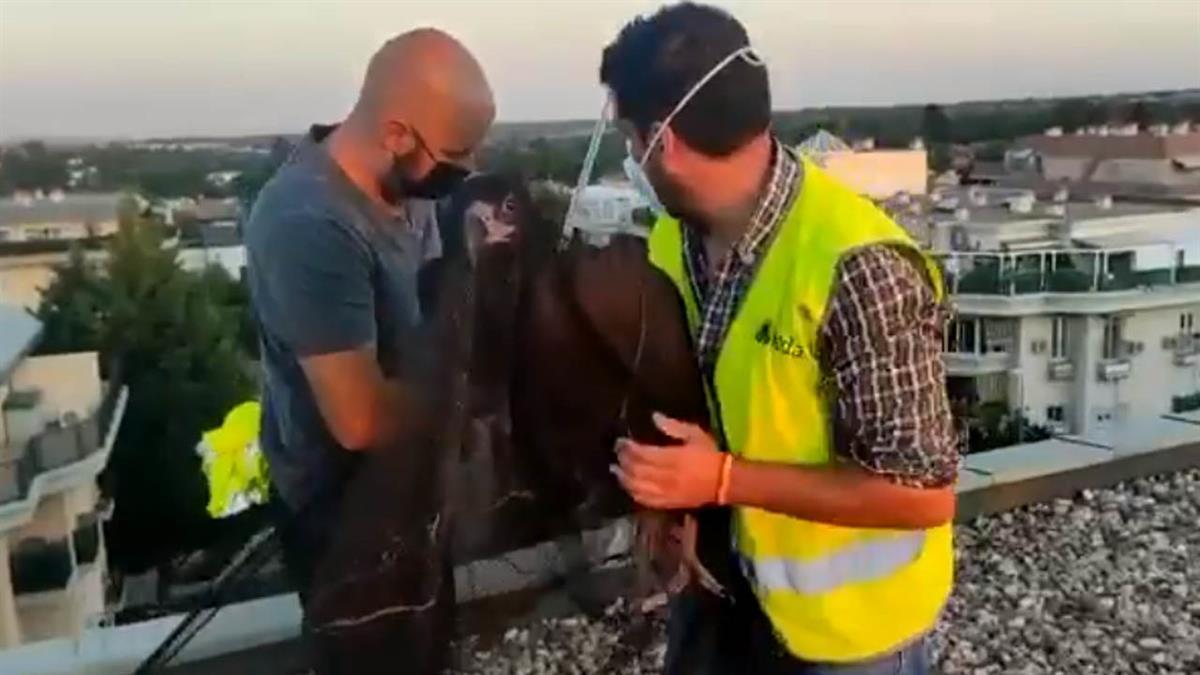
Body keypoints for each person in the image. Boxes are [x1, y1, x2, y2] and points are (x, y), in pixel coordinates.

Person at [600, 4, 959, 674]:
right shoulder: (669, 240)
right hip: (720, 602)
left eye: (629, 139)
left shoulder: (858, 266)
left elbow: (922, 492)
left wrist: (723, 478)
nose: (631, 161)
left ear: (663, 142)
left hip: (850, 641)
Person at [243, 27, 494, 628]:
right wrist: (475, 401)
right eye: (456, 157)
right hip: (343, 520)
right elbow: (361, 421)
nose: (468, 171)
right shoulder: (310, 224)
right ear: (395, 135)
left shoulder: (405, 184)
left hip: (411, 491)